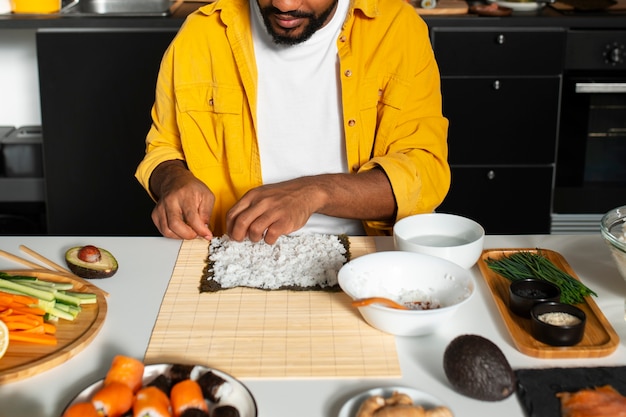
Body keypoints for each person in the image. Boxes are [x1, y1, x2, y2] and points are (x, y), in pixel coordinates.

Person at [135, 0, 450, 244]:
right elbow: (164, 150)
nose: (284, 5)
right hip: (233, 252)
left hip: (366, 253)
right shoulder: (201, 35)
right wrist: (172, 180)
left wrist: (314, 193)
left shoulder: (398, 30)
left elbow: (425, 170)